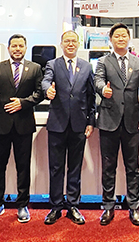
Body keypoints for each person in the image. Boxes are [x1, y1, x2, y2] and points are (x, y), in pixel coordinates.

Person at [94, 23, 139, 226]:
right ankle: (108, 206)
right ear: (110, 39)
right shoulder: (103, 61)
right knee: (108, 167)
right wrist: (103, 90)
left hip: (132, 122)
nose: (120, 38)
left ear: (129, 38)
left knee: (133, 167)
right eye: (116, 35)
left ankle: (134, 207)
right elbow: (97, 81)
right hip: (108, 121)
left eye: (123, 35)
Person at [0, 34, 43, 223]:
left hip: (24, 124)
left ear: (25, 48)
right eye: (14, 46)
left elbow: (40, 93)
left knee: (23, 167)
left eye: (21, 46)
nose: (17, 49)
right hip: (0, 124)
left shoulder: (35, 68)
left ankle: (22, 205)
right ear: (9, 48)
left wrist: (23, 103)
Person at [41, 30, 96, 225]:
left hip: (79, 125)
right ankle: (56, 206)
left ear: (78, 43)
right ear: (61, 44)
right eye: (67, 41)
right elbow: (46, 81)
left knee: (75, 167)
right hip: (57, 123)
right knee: (55, 167)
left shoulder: (87, 66)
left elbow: (91, 96)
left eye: (74, 41)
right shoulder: (52, 64)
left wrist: (91, 121)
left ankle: (73, 205)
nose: (70, 44)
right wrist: (48, 90)